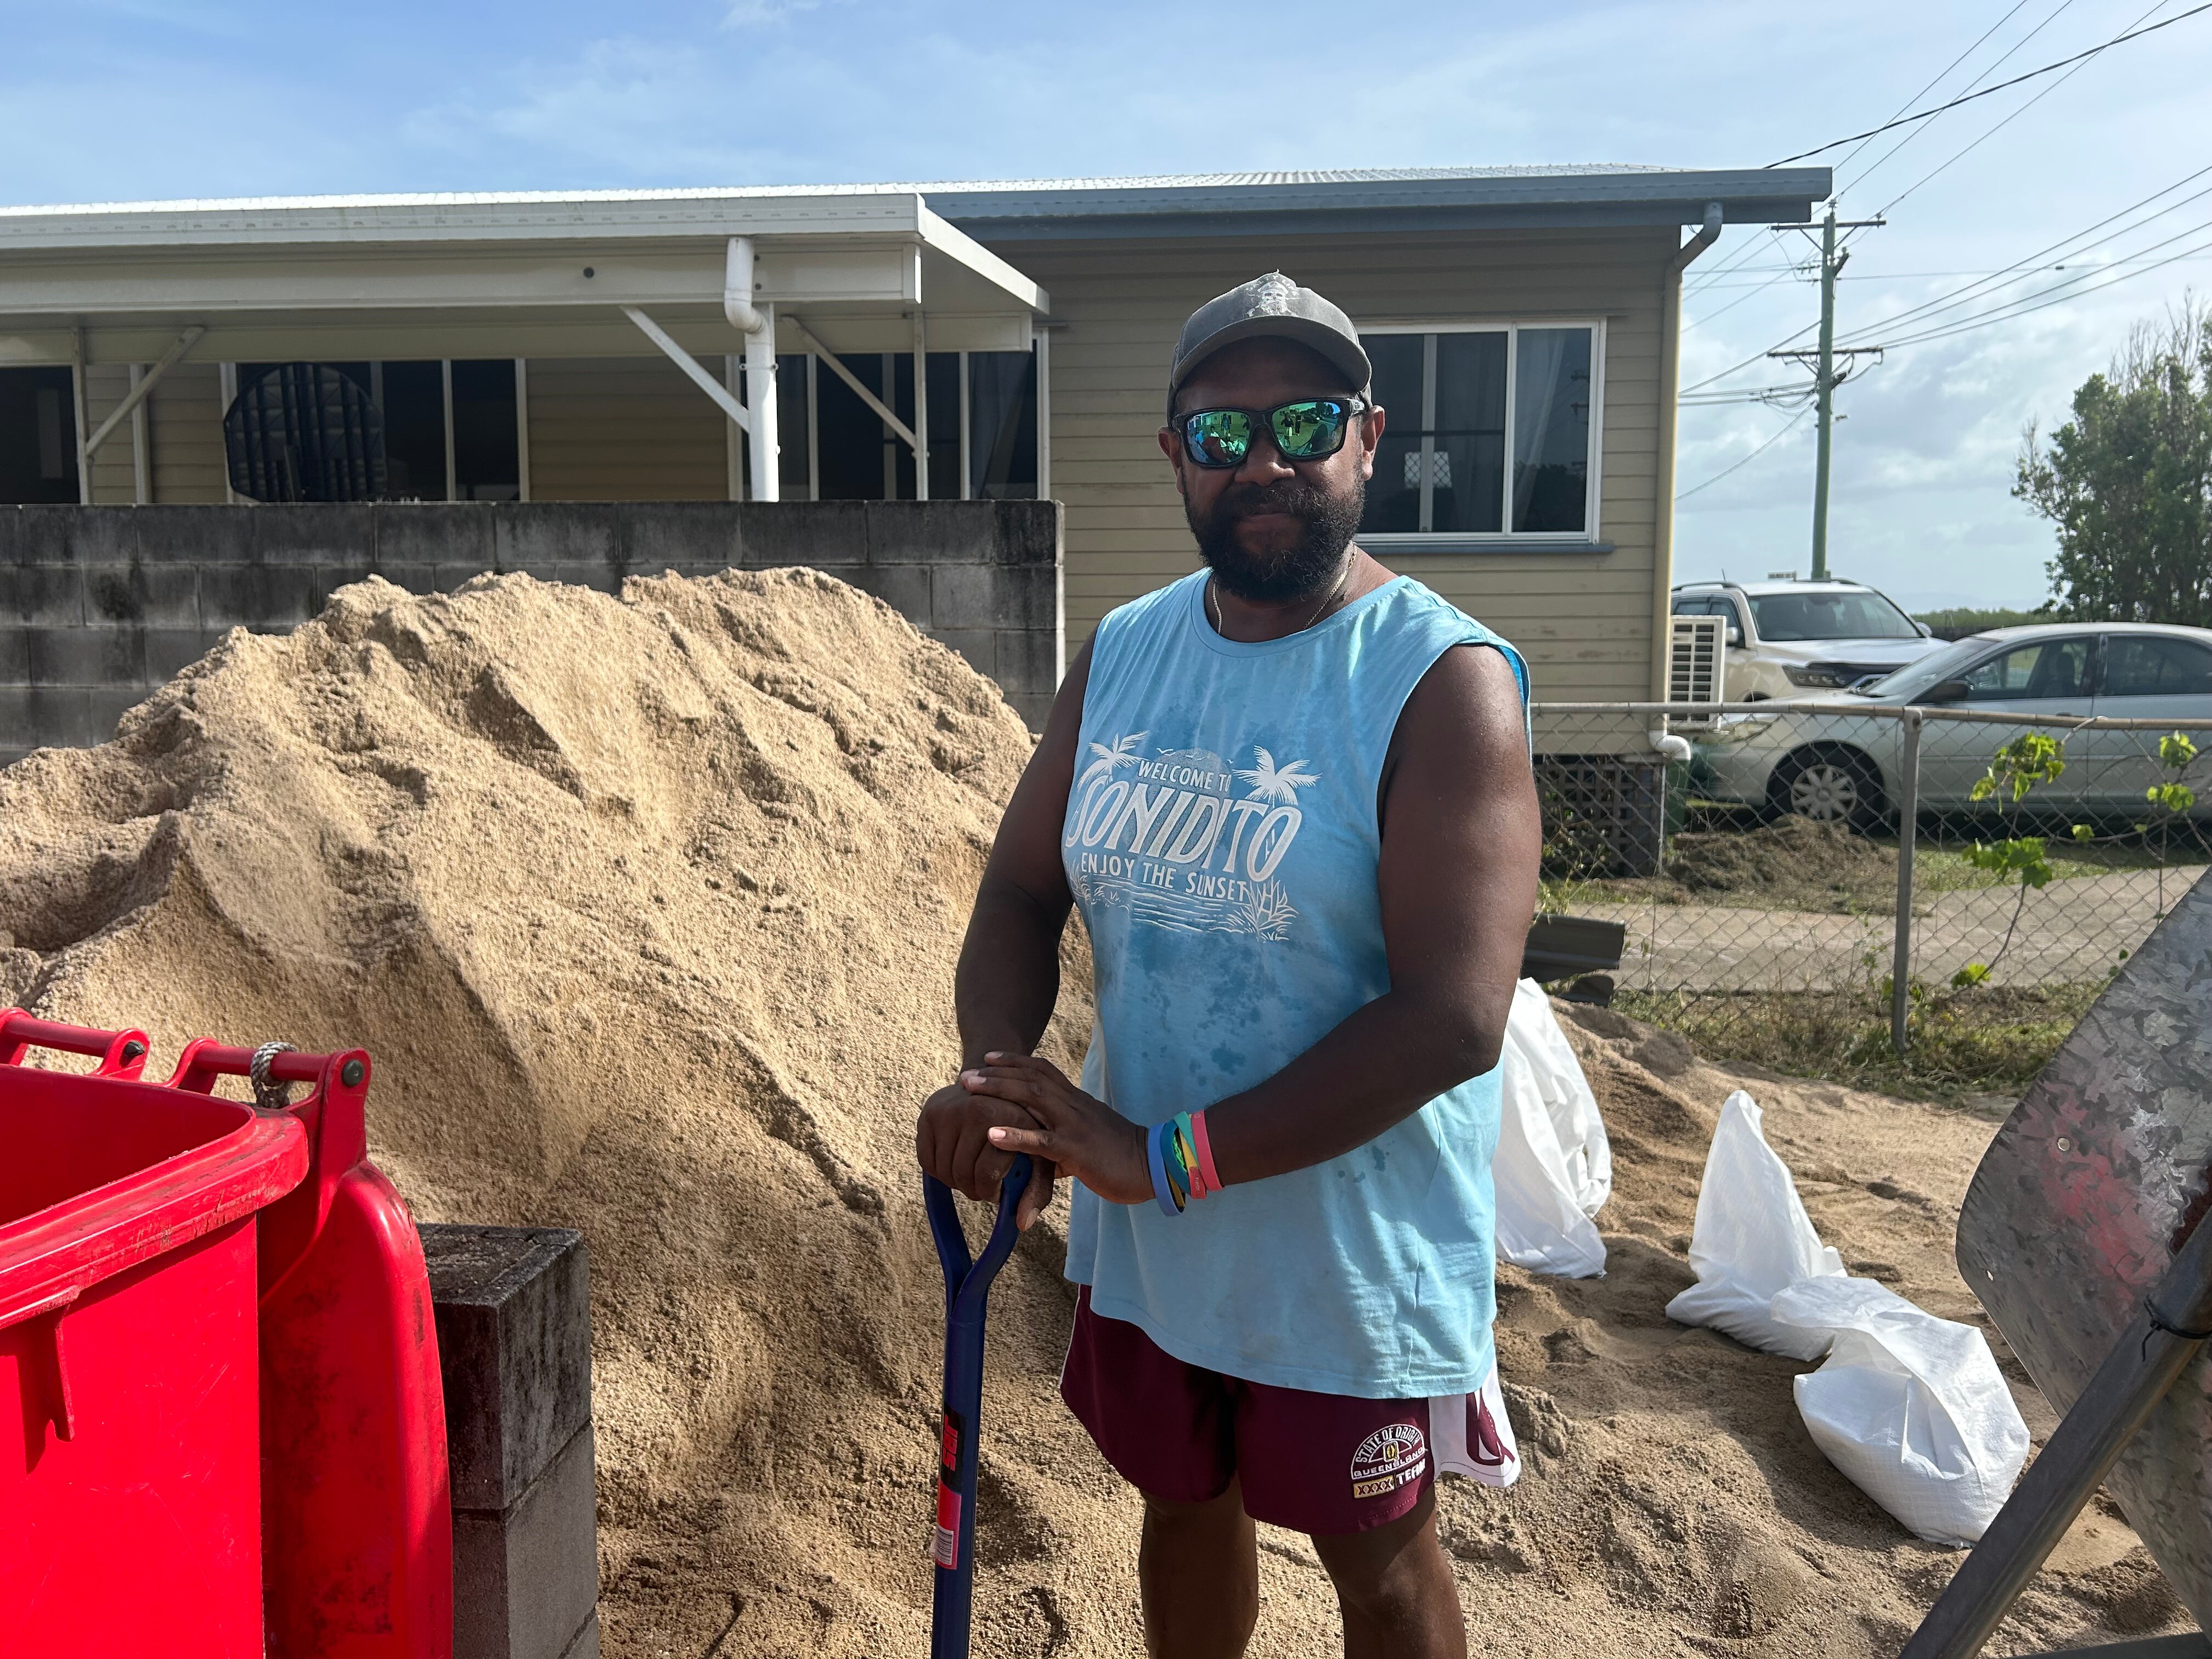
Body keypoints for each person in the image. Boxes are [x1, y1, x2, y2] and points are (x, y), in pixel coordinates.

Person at [915, 272, 1543, 1659]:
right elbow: (1020, 892)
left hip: (1344, 1256)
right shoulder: (1127, 654)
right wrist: (1003, 1079)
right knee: (1181, 1507)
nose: (1266, 462)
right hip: (1156, 1240)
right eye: (1221, 433)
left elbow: (1454, 1018)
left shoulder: (1442, 680)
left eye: (1305, 423)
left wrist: (1168, 1156)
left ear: (1367, 439)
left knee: (1376, 1568)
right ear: (1176, 458)